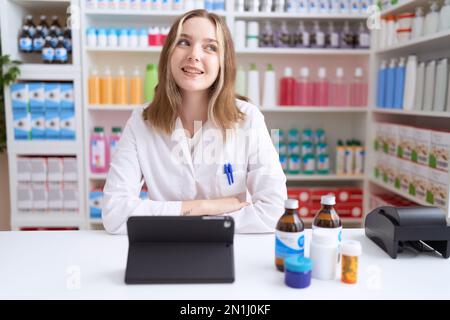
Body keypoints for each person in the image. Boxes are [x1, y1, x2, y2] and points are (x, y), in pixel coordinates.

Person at [102, 9, 287, 234]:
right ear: (168, 53)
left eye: (210, 47)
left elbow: (275, 211)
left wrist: (175, 217)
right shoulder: (142, 121)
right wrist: (205, 207)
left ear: (223, 62)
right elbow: (114, 213)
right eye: (184, 42)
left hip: (229, 249)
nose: (194, 55)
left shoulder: (247, 119)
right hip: (166, 250)